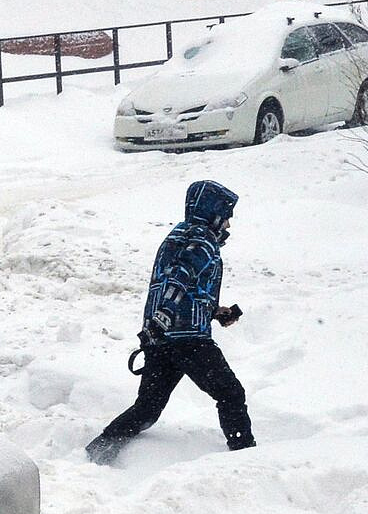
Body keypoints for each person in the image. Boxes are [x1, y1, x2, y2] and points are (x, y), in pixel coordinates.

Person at [86, 180, 254, 465]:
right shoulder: (203, 240)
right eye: (225, 216)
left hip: (160, 338)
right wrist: (165, 316)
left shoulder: (179, 235)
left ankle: (96, 453)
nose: (228, 224)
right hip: (189, 339)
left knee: (147, 408)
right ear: (211, 213)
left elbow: (181, 286)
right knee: (231, 394)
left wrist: (214, 311)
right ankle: (246, 457)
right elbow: (179, 278)